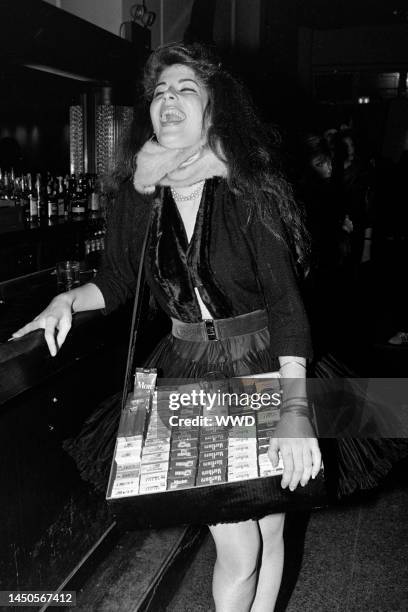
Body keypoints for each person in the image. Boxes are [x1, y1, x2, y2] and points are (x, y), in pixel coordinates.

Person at [12, 43, 321, 611]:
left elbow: (285, 302)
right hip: (189, 378)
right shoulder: (139, 193)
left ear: (213, 110)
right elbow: (117, 282)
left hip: (265, 364)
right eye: (159, 92)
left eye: (185, 90)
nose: (169, 101)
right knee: (237, 546)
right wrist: (66, 299)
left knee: (273, 526)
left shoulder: (247, 184)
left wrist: (297, 412)